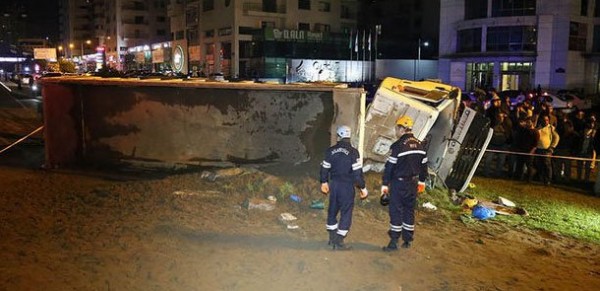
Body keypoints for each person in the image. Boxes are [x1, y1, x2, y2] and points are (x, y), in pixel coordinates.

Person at [380, 115, 428, 251]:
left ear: (402, 129)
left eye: (397, 128)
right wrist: (422, 182)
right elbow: (424, 166)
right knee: (409, 211)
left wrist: (385, 184)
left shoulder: (398, 146)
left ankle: (394, 241)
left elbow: (390, 166)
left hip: (398, 184)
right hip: (413, 184)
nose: (396, 131)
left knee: (396, 211)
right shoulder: (420, 144)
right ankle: (407, 240)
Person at [319, 125, 368, 250]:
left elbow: (324, 168)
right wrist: (363, 188)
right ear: (349, 136)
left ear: (338, 136)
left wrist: (324, 182)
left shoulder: (330, 151)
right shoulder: (353, 152)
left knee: (332, 211)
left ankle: (332, 238)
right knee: (346, 213)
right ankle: (339, 241)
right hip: (347, 186)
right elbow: (357, 174)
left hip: (334, 185)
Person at [535, 115, 560, 185]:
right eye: (544, 120)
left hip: (547, 150)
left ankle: (548, 180)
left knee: (547, 165)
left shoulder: (551, 128)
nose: (545, 121)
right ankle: (541, 178)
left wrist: (552, 147)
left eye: (547, 120)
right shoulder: (538, 127)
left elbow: (557, 137)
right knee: (539, 165)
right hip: (538, 149)